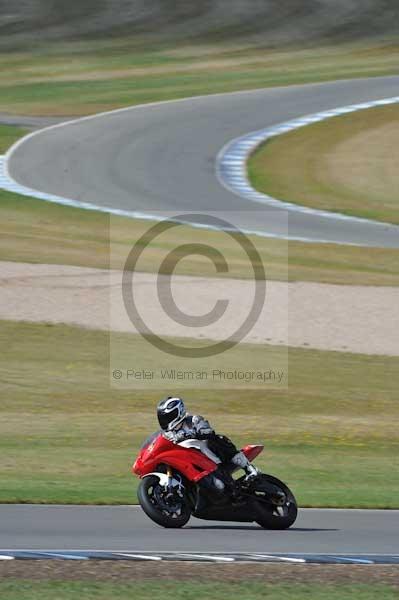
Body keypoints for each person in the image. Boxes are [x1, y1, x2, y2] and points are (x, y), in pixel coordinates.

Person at [157, 396, 259, 482]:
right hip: (188, 463)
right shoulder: (168, 434)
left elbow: (208, 431)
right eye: (163, 418)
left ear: (178, 412)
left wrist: (193, 434)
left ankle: (249, 469)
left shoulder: (193, 420)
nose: (165, 421)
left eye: (167, 417)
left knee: (216, 439)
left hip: (209, 457)